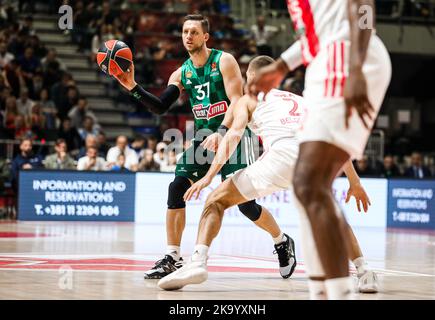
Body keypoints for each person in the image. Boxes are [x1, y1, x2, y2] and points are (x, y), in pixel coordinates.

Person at [158, 56, 378, 294]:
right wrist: (355, 183)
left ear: (251, 77)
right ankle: (365, 271)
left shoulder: (249, 98)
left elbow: (232, 137)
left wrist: (209, 176)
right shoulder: (302, 101)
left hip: (281, 157)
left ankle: (198, 263)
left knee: (216, 201)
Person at [114, 14, 295, 280]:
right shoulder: (182, 72)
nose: (188, 36)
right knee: (176, 187)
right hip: (203, 137)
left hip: (234, 132)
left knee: (245, 205)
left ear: (205, 36)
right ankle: (173, 257)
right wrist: (133, 87)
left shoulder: (224, 61)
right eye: (185, 31)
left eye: (194, 32)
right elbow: (161, 106)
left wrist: (222, 132)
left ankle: (281, 241)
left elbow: (237, 101)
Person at [248, 0, 392, 299]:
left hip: (347, 57)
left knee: (308, 184)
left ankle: (339, 291)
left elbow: (363, 7)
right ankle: (326, 290)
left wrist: (356, 66)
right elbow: (316, 34)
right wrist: (282, 66)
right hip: (323, 63)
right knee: (309, 189)